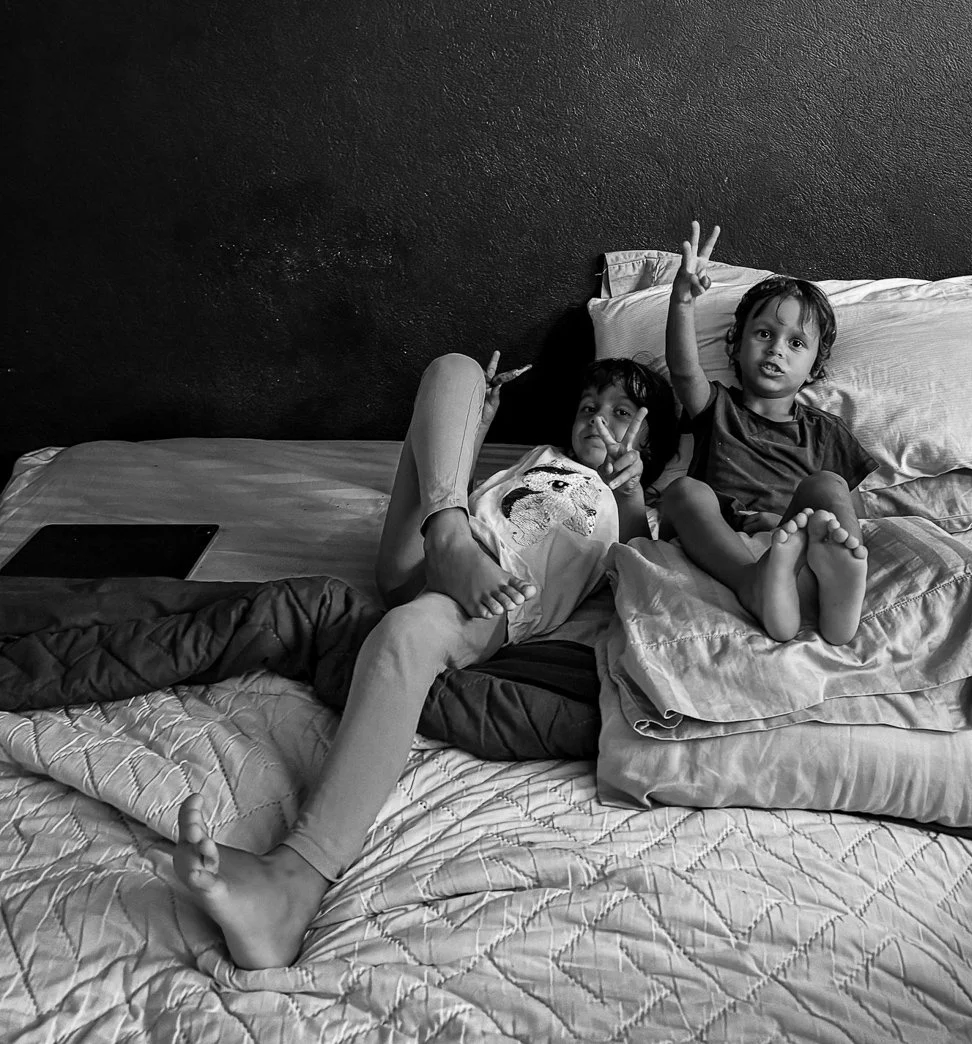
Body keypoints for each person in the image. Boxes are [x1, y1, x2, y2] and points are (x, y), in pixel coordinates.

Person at [173, 348, 678, 969]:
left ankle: (294, 880)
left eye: (622, 413)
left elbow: (640, 568)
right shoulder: (544, 459)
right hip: (433, 552)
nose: (596, 417)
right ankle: (448, 536)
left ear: (650, 445)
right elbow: (465, 484)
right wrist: (474, 429)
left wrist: (631, 490)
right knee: (455, 371)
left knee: (406, 632)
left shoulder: (630, 506)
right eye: (589, 405)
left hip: (492, 598)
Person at [661, 221, 877, 646]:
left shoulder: (824, 432)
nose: (777, 348)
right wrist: (682, 300)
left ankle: (841, 597)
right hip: (722, 544)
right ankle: (751, 583)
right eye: (764, 334)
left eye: (796, 343)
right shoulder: (716, 406)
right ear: (737, 345)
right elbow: (684, 370)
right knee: (684, 491)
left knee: (828, 485)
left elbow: (851, 510)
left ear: (814, 368)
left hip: (791, 547)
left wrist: (790, 527)